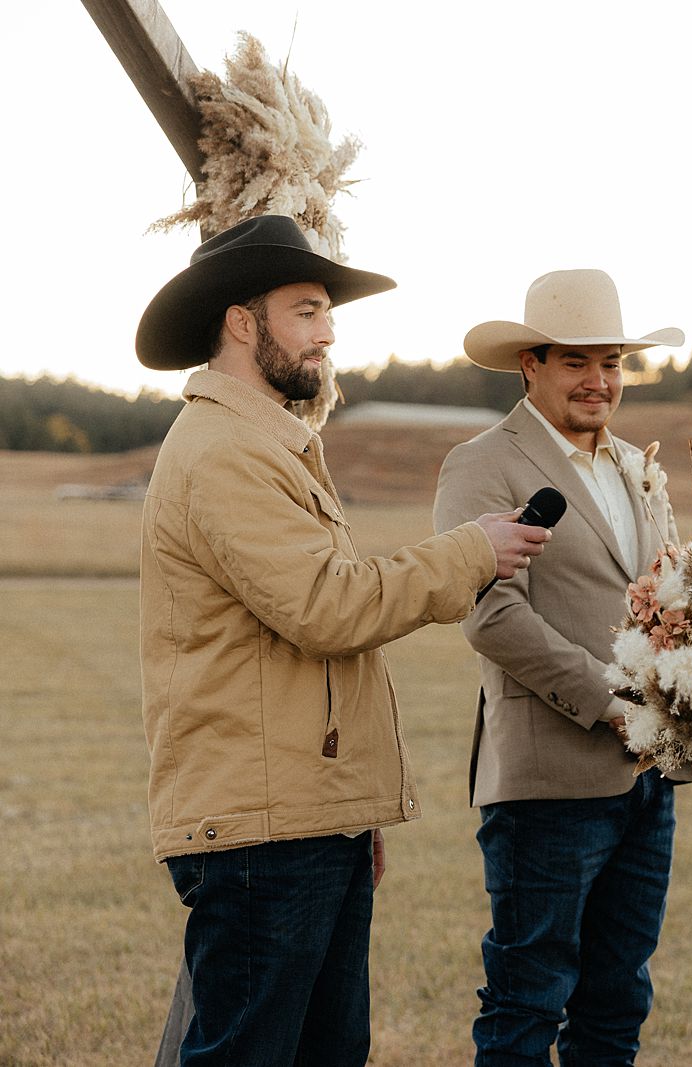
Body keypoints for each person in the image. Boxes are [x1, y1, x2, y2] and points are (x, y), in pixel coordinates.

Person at [135, 214, 552, 1067]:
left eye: (329, 313)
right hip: (263, 837)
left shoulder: (264, 442)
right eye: (309, 310)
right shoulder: (223, 452)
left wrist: (352, 812)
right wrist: (474, 550)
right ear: (243, 323)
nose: (329, 333)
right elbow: (330, 606)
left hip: (300, 821)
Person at [432, 269, 684, 1066]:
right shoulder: (482, 463)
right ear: (529, 367)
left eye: (611, 362)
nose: (599, 381)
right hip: (548, 784)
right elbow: (492, 615)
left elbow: (665, 589)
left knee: (617, 1004)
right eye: (576, 361)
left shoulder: (636, 468)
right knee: (525, 1004)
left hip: (647, 781)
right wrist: (614, 702)